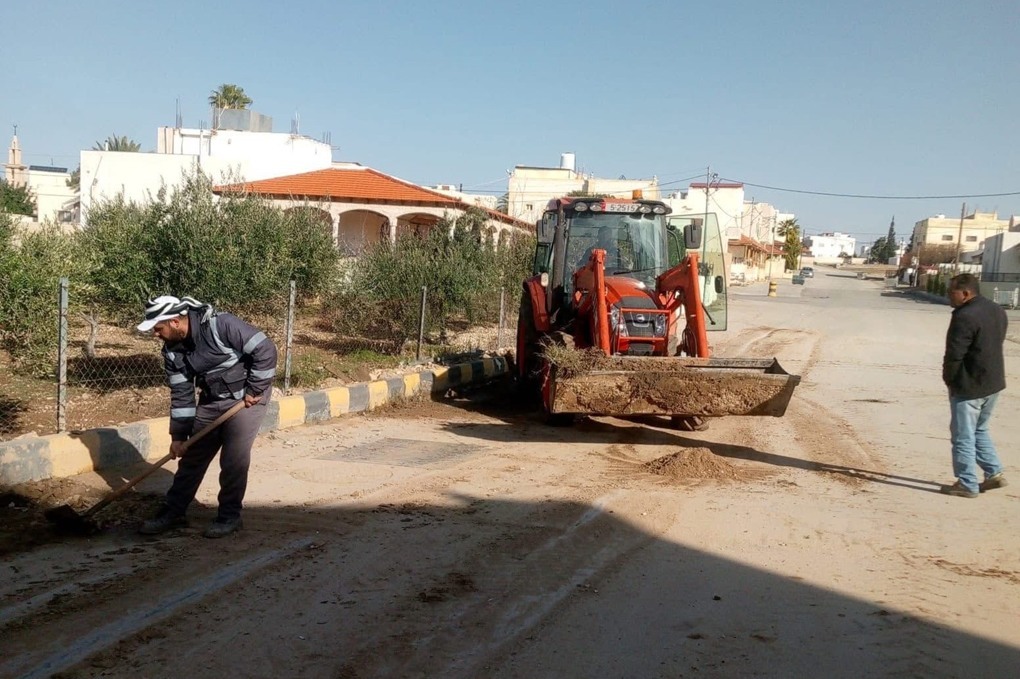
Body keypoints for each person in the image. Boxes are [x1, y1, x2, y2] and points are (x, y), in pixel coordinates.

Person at [137, 295, 278, 536]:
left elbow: (266, 350)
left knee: (233, 459)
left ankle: (229, 517)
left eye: (158, 328)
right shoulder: (172, 352)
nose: (155, 334)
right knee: (192, 457)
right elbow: (182, 395)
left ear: (174, 322)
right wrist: (179, 436)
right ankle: (173, 512)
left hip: (246, 400)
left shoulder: (221, 325)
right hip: (212, 401)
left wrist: (255, 389)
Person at [940, 274, 1008, 498]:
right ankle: (994, 473)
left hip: (969, 386)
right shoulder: (996, 310)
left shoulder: (964, 316)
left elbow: (954, 354)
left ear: (966, 293)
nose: (949, 297)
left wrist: (950, 381)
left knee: (962, 436)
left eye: (952, 293)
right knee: (979, 429)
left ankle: (967, 483)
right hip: (993, 382)